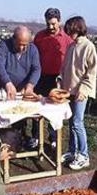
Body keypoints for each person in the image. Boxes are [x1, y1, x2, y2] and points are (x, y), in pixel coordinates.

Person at [0, 26, 41, 150]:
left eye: (25, 45)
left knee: (20, 118)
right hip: (3, 90)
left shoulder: (33, 50)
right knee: (2, 119)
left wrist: (30, 85)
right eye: (19, 44)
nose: (22, 48)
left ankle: (18, 142)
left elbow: (36, 69)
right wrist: (7, 83)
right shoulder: (2, 46)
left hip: (21, 90)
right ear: (13, 39)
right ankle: (0, 144)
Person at [31, 8, 73, 148]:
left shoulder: (67, 39)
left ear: (59, 21)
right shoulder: (39, 36)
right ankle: (35, 136)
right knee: (37, 106)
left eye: (53, 24)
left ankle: (53, 137)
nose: (51, 27)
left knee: (54, 108)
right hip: (40, 76)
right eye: (48, 23)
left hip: (57, 79)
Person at [59, 16, 97, 170]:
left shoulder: (88, 47)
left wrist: (84, 89)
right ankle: (72, 151)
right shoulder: (71, 46)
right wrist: (60, 80)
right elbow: (65, 68)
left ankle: (83, 155)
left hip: (81, 92)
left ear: (78, 29)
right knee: (71, 121)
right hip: (69, 90)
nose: (69, 34)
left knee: (77, 123)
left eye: (71, 30)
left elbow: (92, 71)